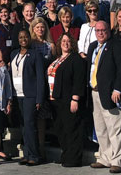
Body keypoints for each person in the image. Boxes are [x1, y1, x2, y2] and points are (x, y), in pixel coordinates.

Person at [86, 19, 121, 173]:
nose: (100, 33)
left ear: (108, 31)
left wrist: (118, 89)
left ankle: (118, 160)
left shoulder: (117, 46)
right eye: (97, 31)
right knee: (101, 128)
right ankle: (105, 158)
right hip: (95, 92)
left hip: (112, 94)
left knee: (116, 128)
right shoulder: (93, 47)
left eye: (103, 30)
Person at [49, 33, 87, 168]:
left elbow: (78, 80)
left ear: (72, 44)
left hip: (69, 99)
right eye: (63, 41)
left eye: (68, 41)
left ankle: (74, 159)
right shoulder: (58, 59)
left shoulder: (76, 59)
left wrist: (75, 98)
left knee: (72, 129)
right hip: (56, 100)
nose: (65, 43)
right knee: (61, 129)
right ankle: (66, 155)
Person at [10, 29, 45, 166]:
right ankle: (26, 154)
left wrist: (39, 99)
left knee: (30, 125)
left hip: (30, 95)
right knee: (23, 126)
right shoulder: (13, 54)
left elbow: (40, 78)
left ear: (29, 38)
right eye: (20, 37)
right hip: (17, 95)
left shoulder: (35, 55)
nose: (23, 39)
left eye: (25, 37)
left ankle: (35, 156)